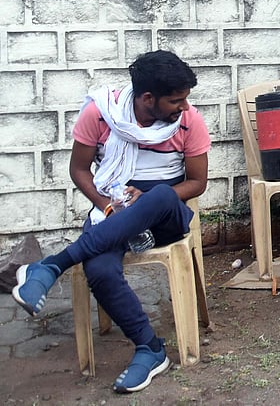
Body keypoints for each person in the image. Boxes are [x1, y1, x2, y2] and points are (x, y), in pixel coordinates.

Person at [11, 50, 211, 393]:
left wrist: (147, 200)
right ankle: (150, 348)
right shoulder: (100, 114)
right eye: (176, 100)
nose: (184, 107)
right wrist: (106, 207)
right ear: (148, 98)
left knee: (160, 195)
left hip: (166, 214)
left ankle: (52, 265)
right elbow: (78, 170)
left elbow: (197, 183)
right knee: (100, 270)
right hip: (112, 209)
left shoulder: (190, 121)